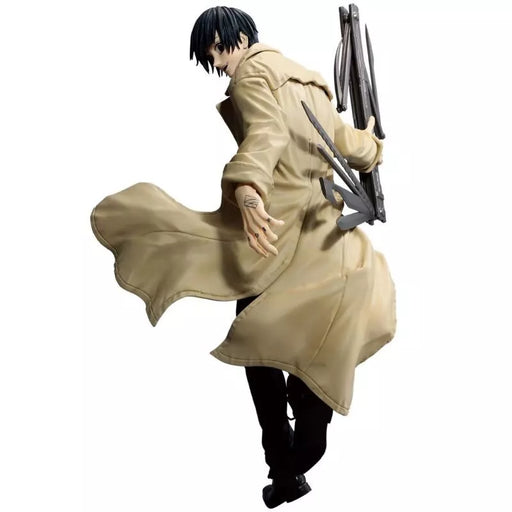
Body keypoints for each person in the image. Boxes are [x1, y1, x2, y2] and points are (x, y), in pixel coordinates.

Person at [90, 5, 396, 508]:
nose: (217, 61)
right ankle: (303, 430)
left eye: (217, 48)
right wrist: (373, 146)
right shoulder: (311, 81)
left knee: (254, 339)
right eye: (210, 55)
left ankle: (287, 455)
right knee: (305, 328)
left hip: (276, 236)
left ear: (238, 36)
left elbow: (265, 136)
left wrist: (249, 191)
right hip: (329, 237)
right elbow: (348, 144)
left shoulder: (253, 76)